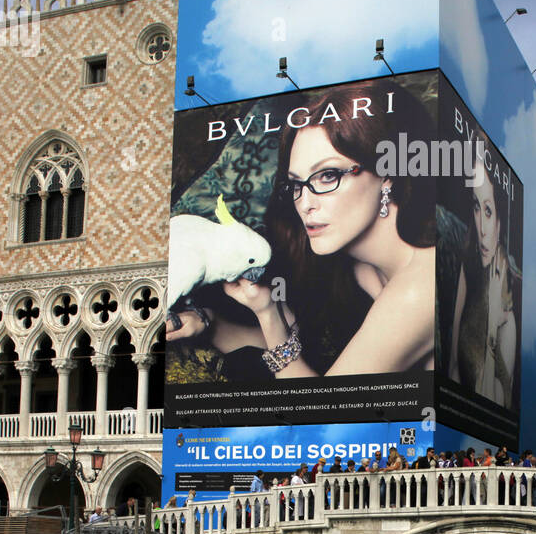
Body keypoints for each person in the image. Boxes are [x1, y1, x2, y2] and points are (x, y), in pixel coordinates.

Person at [222, 81, 438, 379]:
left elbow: (324, 410)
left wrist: (268, 315)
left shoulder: (421, 287)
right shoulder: (361, 268)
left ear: (387, 174)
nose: (305, 203)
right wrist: (206, 325)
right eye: (297, 183)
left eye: (328, 175)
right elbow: (302, 351)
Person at [449, 156, 520, 409]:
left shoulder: (507, 320)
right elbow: (453, 370)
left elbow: (494, 404)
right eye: (476, 207)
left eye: (488, 211)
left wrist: (490, 327)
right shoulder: (468, 268)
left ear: (500, 221)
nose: (482, 227)